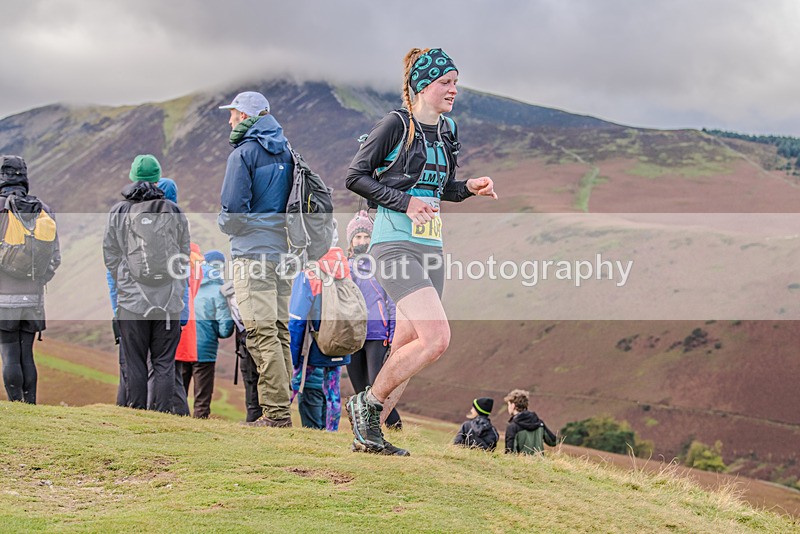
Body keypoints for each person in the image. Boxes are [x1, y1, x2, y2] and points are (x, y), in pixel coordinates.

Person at [344, 48, 497, 455]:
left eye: (456, 82)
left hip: (431, 246)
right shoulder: (396, 124)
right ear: (422, 85)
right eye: (446, 82)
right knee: (437, 339)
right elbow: (355, 177)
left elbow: (440, 188)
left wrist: (469, 188)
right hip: (392, 242)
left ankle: (369, 436)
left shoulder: (448, 130)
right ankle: (368, 405)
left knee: (409, 342)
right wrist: (404, 202)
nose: (454, 90)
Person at [217, 91, 294, 428]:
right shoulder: (288, 152)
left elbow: (233, 212)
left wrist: (223, 222)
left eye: (233, 113)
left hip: (252, 255)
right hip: (282, 254)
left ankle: (276, 416)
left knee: (261, 333)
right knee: (278, 332)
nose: (230, 119)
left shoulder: (244, 153)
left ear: (245, 116)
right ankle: (280, 410)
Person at [103, 154, 190, 413]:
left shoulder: (119, 210)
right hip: (169, 303)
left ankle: (135, 415)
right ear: (157, 177)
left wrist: (126, 281)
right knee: (164, 363)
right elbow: (183, 255)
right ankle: (162, 417)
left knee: (135, 362)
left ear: (133, 176)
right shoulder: (173, 210)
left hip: (132, 302)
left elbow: (110, 255)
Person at [0, 155, 60, 403]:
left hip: (3, 298)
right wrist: (38, 280)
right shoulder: (43, 209)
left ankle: (16, 405)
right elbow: (54, 258)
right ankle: (30, 403)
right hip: (33, 298)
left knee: (9, 353)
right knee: (27, 353)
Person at [345, 210, 401, 429]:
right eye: (357, 237)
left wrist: (393, 333)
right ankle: (366, 430)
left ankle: (395, 426)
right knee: (359, 387)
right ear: (350, 240)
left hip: (377, 334)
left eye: (366, 236)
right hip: (352, 335)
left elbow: (392, 302)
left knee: (376, 385)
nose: (361, 241)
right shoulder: (345, 268)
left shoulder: (381, 266)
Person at [288, 245, 352, 432]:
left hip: (316, 343)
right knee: (333, 391)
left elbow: (297, 320)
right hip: (340, 341)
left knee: (294, 383)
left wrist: (293, 354)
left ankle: (277, 418)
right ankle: (332, 431)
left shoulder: (309, 275)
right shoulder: (345, 273)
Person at [182, 250, 235, 418]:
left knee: (178, 390)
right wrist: (218, 333)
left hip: (183, 346)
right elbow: (225, 326)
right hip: (205, 349)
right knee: (202, 396)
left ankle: (174, 420)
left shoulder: (188, 284)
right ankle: (200, 421)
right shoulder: (218, 290)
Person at [221, 281, 261, 423]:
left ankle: (253, 419)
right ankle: (257, 418)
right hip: (256, 344)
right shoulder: (255, 291)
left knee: (251, 385)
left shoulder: (229, 294)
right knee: (258, 383)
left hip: (246, 346)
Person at [173, 242, 204, 416]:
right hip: (188, 322)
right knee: (175, 371)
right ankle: (180, 412)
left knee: (169, 371)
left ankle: (179, 412)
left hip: (178, 319)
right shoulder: (198, 270)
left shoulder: (181, 265)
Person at [503, 389, 557, 455]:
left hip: (522, 465)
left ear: (513, 405)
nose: (508, 408)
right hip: (541, 464)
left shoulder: (512, 427)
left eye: (508, 405)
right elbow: (553, 442)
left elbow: (510, 454)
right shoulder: (539, 423)